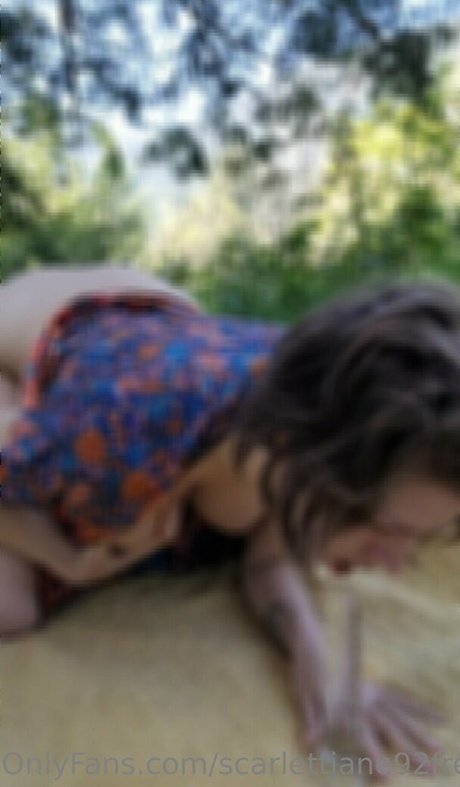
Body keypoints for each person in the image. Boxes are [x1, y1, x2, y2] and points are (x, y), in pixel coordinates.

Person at [1, 263, 459, 781]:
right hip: (42, 331)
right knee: (11, 607)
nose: (394, 565)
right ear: (304, 456)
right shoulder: (123, 425)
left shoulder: (313, 428)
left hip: (167, 330)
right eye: (386, 528)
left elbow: (269, 559)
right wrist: (69, 560)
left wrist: (323, 664)